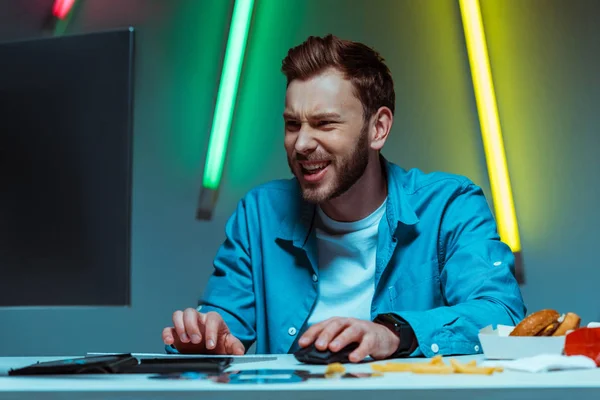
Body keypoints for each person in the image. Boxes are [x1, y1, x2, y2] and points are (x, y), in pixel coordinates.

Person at [162, 34, 526, 362]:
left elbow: (501, 315)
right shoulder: (259, 213)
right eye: (293, 124)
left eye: (324, 124)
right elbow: (223, 326)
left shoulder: (451, 206)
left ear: (378, 128)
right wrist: (207, 341)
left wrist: (392, 334)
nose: (301, 144)